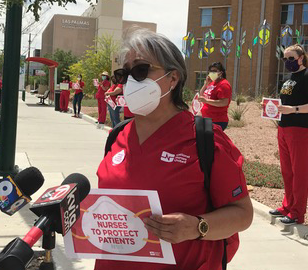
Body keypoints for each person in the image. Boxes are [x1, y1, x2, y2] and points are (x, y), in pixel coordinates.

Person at [97, 29, 253, 270]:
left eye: (140, 70)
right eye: (124, 74)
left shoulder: (206, 141)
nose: (129, 82)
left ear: (173, 78)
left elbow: (243, 214)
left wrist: (197, 226)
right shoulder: (117, 136)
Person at [269, 44, 308, 225]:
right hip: (284, 129)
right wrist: (270, 109)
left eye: (291, 58)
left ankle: (297, 213)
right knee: (287, 171)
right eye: (285, 59)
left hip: (301, 130)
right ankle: (288, 206)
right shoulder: (288, 78)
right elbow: (284, 103)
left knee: (299, 172)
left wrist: (295, 110)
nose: (288, 62)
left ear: (301, 58)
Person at [198, 62, 232, 131]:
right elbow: (201, 94)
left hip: (217, 120)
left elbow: (224, 102)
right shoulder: (212, 83)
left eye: (214, 71)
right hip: (207, 118)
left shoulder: (224, 84)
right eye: (210, 71)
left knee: (212, 140)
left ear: (220, 73)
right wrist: (206, 84)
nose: (212, 73)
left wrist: (206, 101)